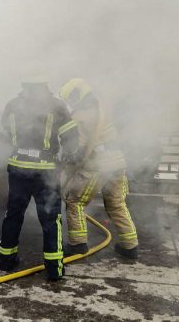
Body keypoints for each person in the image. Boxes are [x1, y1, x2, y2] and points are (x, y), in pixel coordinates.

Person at [0, 75, 80, 281]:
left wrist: (19, 147)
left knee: (13, 215)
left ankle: (6, 261)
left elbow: (2, 135)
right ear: (44, 84)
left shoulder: (12, 105)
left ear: (23, 84)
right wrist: (69, 155)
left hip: (18, 168)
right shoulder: (56, 106)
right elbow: (71, 137)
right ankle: (54, 269)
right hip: (46, 171)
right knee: (51, 219)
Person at [58, 78, 139, 259]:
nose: (70, 103)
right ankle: (130, 246)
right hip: (117, 161)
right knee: (116, 204)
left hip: (98, 165)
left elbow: (79, 150)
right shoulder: (104, 105)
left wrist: (66, 165)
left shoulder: (80, 117)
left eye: (71, 99)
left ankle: (78, 244)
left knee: (74, 201)